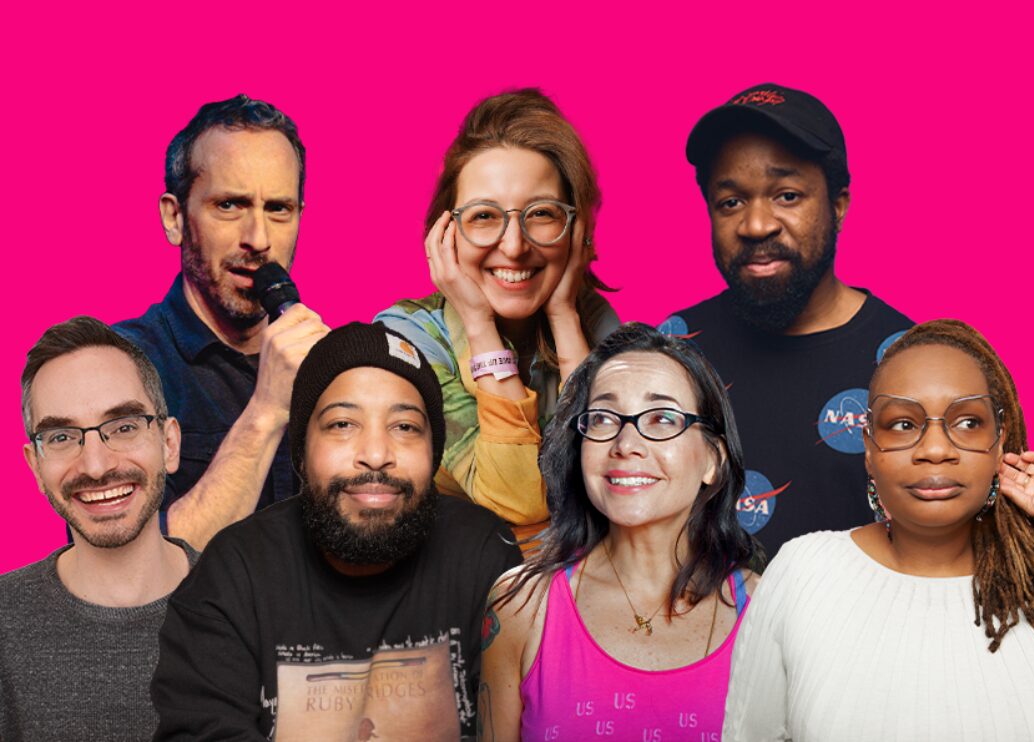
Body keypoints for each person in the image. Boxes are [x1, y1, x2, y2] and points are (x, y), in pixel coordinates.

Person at [151, 322, 522, 740]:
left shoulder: (483, 554)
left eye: (405, 427)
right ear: (301, 453)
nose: (376, 455)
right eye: (342, 424)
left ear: (434, 454)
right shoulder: (233, 574)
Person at [723, 320, 1034, 741]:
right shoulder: (805, 573)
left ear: (1000, 442)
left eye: (968, 422)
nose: (935, 450)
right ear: (868, 448)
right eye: (902, 424)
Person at [660, 83, 913, 558]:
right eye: (730, 202)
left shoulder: (910, 359)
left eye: (788, 195)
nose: (757, 225)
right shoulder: (672, 350)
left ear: (839, 206)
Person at [479, 323, 760, 741]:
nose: (626, 443)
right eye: (604, 418)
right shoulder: (521, 606)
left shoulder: (765, 609)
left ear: (712, 461)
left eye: (663, 418)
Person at [376, 89, 619, 543]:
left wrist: (565, 316)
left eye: (542, 214)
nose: (514, 245)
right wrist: (478, 324)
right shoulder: (406, 341)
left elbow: (610, 477)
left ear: (576, 229)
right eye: (484, 216)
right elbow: (517, 499)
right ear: (444, 232)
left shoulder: (588, 320)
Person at [115, 94, 330, 551]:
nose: (259, 239)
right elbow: (135, 571)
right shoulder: (117, 366)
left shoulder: (327, 361)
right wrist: (267, 412)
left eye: (278, 209)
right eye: (230, 206)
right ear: (175, 218)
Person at [0, 317, 197, 741]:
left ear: (169, 443)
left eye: (124, 427)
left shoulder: (258, 610)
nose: (96, 465)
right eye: (61, 436)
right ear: (35, 467)